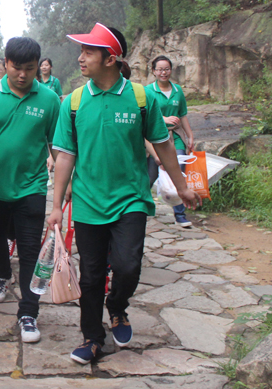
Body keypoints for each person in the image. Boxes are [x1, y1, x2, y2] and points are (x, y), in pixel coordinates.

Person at [48, 23, 201, 364]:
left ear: (110, 59)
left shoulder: (141, 98)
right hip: (88, 201)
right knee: (91, 275)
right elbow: (65, 156)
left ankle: (117, 306)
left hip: (131, 198)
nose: (81, 57)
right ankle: (92, 337)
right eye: (81, 50)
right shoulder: (73, 102)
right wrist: (56, 205)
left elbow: (163, 145)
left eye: (88, 51)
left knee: (127, 267)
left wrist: (181, 187)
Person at [0, 37, 61, 344]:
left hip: (31, 187)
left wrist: (67, 180)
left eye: (29, 68)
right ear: (5, 63)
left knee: (30, 248)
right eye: (16, 67)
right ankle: (2, 275)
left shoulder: (49, 100)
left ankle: (29, 312)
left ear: (38, 67)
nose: (22, 75)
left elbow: (57, 145)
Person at [145, 55, 195, 228]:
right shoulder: (148, 91)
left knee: (178, 174)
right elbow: (146, 116)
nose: (163, 73)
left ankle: (180, 215)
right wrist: (164, 119)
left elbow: (183, 115)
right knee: (150, 176)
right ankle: (142, 207)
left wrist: (190, 136)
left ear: (171, 70)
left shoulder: (177, 90)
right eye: (159, 69)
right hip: (155, 139)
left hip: (176, 138)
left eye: (166, 69)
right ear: (153, 71)